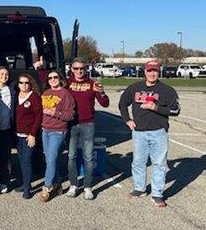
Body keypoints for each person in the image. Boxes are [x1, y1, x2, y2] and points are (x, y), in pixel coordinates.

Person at [118, 60, 180, 208]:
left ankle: (157, 193)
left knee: (159, 164)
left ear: (159, 72)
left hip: (159, 133)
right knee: (138, 162)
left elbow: (176, 110)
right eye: (149, 70)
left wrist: (156, 107)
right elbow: (122, 103)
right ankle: (139, 188)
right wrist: (127, 120)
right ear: (144, 71)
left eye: (155, 71)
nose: (152, 73)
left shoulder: (167, 90)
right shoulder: (135, 88)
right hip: (139, 132)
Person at [66, 58, 110, 200]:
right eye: (76, 68)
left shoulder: (92, 84)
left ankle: (87, 187)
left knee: (88, 157)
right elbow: (50, 84)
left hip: (88, 124)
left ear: (86, 69)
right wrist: (41, 70)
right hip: (72, 124)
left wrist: (102, 92)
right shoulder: (66, 83)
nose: (79, 71)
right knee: (71, 155)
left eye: (82, 68)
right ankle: (74, 184)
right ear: (71, 69)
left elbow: (105, 103)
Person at [39, 70, 75, 202]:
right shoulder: (46, 93)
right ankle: (58, 184)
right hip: (45, 131)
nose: (53, 80)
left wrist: (55, 113)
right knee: (49, 160)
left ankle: (47, 187)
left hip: (58, 131)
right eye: (50, 78)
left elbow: (70, 115)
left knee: (51, 160)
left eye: (55, 77)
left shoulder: (65, 94)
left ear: (60, 78)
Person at [14, 74, 42, 199]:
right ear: (18, 84)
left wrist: (32, 134)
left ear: (30, 84)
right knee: (21, 161)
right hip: (17, 135)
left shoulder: (34, 97)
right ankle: (26, 183)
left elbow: (38, 117)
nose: (24, 85)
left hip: (28, 136)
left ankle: (27, 189)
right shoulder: (15, 95)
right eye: (21, 82)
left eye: (27, 83)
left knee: (27, 161)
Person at [0, 66, 16, 194]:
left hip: (7, 129)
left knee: (5, 157)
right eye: (1, 73)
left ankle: (4, 181)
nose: (4, 76)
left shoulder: (12, 89)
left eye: (6, 74)